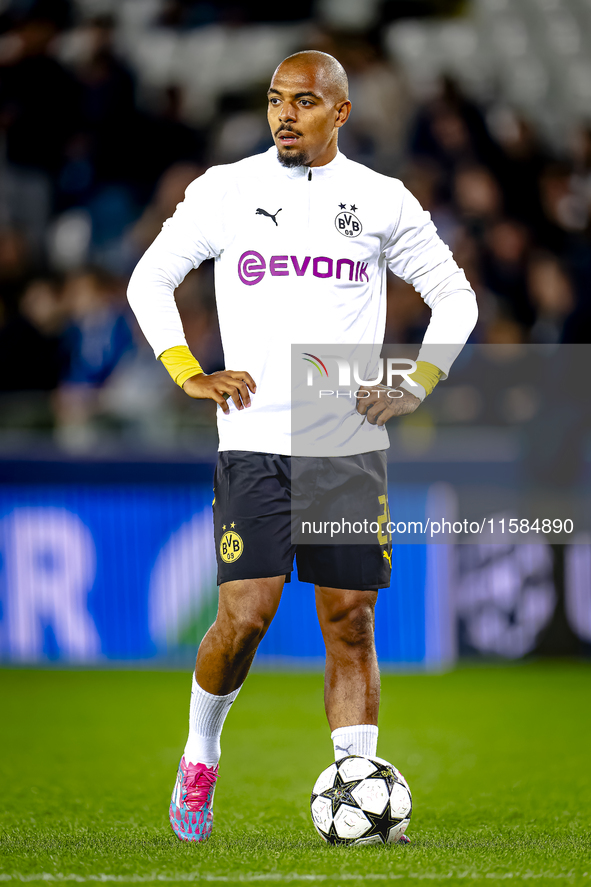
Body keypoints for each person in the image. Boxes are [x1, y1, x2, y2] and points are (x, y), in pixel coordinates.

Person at [127, 50, 477, 843]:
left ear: (340, 113)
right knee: (244, 618)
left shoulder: (382, 201)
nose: (285, 114)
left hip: (345, 441)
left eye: (304, 101)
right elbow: (148, 279)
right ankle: (200, 753)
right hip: (251, 437)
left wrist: (416, 381)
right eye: (275, 100)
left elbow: (455, 297)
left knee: (349, 620)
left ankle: (356, 779)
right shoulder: (224, 189)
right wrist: (187, 369)